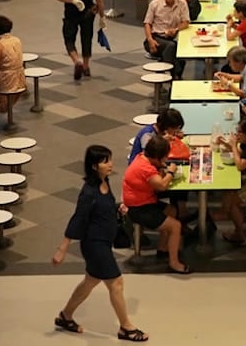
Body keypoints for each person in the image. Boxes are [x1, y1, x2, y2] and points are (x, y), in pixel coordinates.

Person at [52, 145, 148, 342]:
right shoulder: (88, 192)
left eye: (110, 160)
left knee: (90, 281)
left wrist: (117, 207)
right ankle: (126, 328)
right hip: (95, 245)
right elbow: (78, 218)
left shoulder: (105, 182)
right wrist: (63, 248)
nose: (110, 164)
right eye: (105, 161)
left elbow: (102, 207)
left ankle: (65, 316)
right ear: (94, 166)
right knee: (116, 283)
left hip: (103, 241)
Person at [122, 135, 191, 273]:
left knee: (172, 210)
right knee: (175, 226)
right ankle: (174, 263)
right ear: (157, 156)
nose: (166, 159)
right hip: (139, 208)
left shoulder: (142, 157)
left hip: (145, 201)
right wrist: (171, 171)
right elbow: (162, 185)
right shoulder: (145, 168)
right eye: (165, 156)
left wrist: (161, 167)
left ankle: (162, 249)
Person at [54, 0, 105, 80]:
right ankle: (86, 66)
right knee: (86, 37)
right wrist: (102, 15)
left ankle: (77, 61)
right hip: (88, 13)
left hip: (71, 13)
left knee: (69, 38)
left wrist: (72, 0)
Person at [143, 0, 190, 80]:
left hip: (169, 38)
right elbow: (147, 23)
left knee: (179, 57)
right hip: (155, 38)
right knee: (172, 47)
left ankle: (166, 74)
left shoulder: (182, 4)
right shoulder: (154, 4)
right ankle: (175, 77)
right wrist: (150, 40)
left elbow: (186, 22)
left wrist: (176, 29)